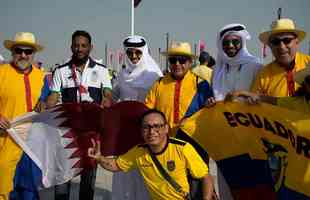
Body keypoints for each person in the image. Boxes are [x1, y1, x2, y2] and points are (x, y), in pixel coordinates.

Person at [88, 109, 216, 200]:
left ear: (166, 128)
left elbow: (206, 177)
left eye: (157, 126)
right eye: (146, 127)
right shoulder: (139, 151)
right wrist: (99, 158)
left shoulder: (182, 148)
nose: (151, 131)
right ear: (141, 131)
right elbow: (115, 165)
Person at [46, 30, 112, 200]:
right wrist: (46, 103)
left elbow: (108, 93)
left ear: (90, 47)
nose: (79, 49)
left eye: (83, 45)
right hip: (66, 133)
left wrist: (107, 99)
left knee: (88, 182)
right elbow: (53, 96)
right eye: (76, 45)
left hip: (91, 133)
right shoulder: (60, 71)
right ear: (71, 47)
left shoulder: (102, 70)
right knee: (62, 178)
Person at [111, 35, 163, 200]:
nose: (134, 57)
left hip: (147, 131)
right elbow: (114, 95)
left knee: (145, 170)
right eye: (131, 53)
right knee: (124, 170)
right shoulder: (123, 74)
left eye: (138, 53)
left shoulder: (154, 74)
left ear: (144, 52)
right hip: (125, 130)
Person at [0, 32, 45, 200]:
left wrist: (46, 103)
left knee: (30, 192)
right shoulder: (1, 73)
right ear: (12, 51)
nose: (23, 55)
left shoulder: (42, 77)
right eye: (19, 51)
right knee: (4, 189)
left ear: (34, 54)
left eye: (28, 51)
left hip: (32, 148)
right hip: (6, 144)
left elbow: (48, 100)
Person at [145, 42, 214, 135]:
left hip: (191, 140)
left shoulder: (201, 84)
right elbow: (148, 110)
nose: (177, 64)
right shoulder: (159, 84)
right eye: (173, 60)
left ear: (190, 62)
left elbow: (209, 114)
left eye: (182, 60)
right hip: (164, 141)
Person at [252, 18, 310, 97]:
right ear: (270, 45)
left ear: (297, 42)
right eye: (276, 42)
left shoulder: (308, 63)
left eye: (287, 40)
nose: (281, 47)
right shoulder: (263, 75)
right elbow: (254, 103)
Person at [212, 23, 262, 101]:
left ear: (242, 43)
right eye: (226, 43)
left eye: (235, 42)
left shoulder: (255, 66)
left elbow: (261, 97)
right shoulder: (218, 69)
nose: (230, 45)